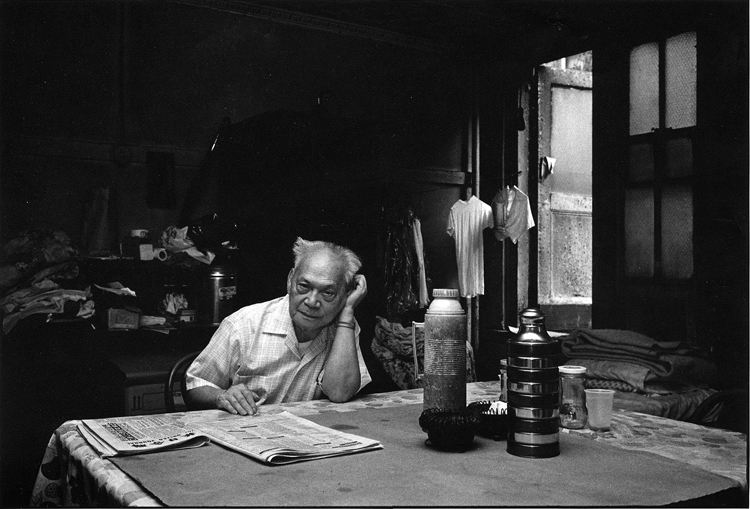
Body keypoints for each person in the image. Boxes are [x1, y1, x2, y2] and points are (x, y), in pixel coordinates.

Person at [185, 237, 371, 415]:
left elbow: (340, 393)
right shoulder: (243, 325)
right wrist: (221, 396)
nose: (312, 301)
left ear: (345, 294)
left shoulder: (343, 328)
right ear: (290, 280)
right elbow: (195, 385)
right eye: (304, 286)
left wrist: (347, 312)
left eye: (328, 292)